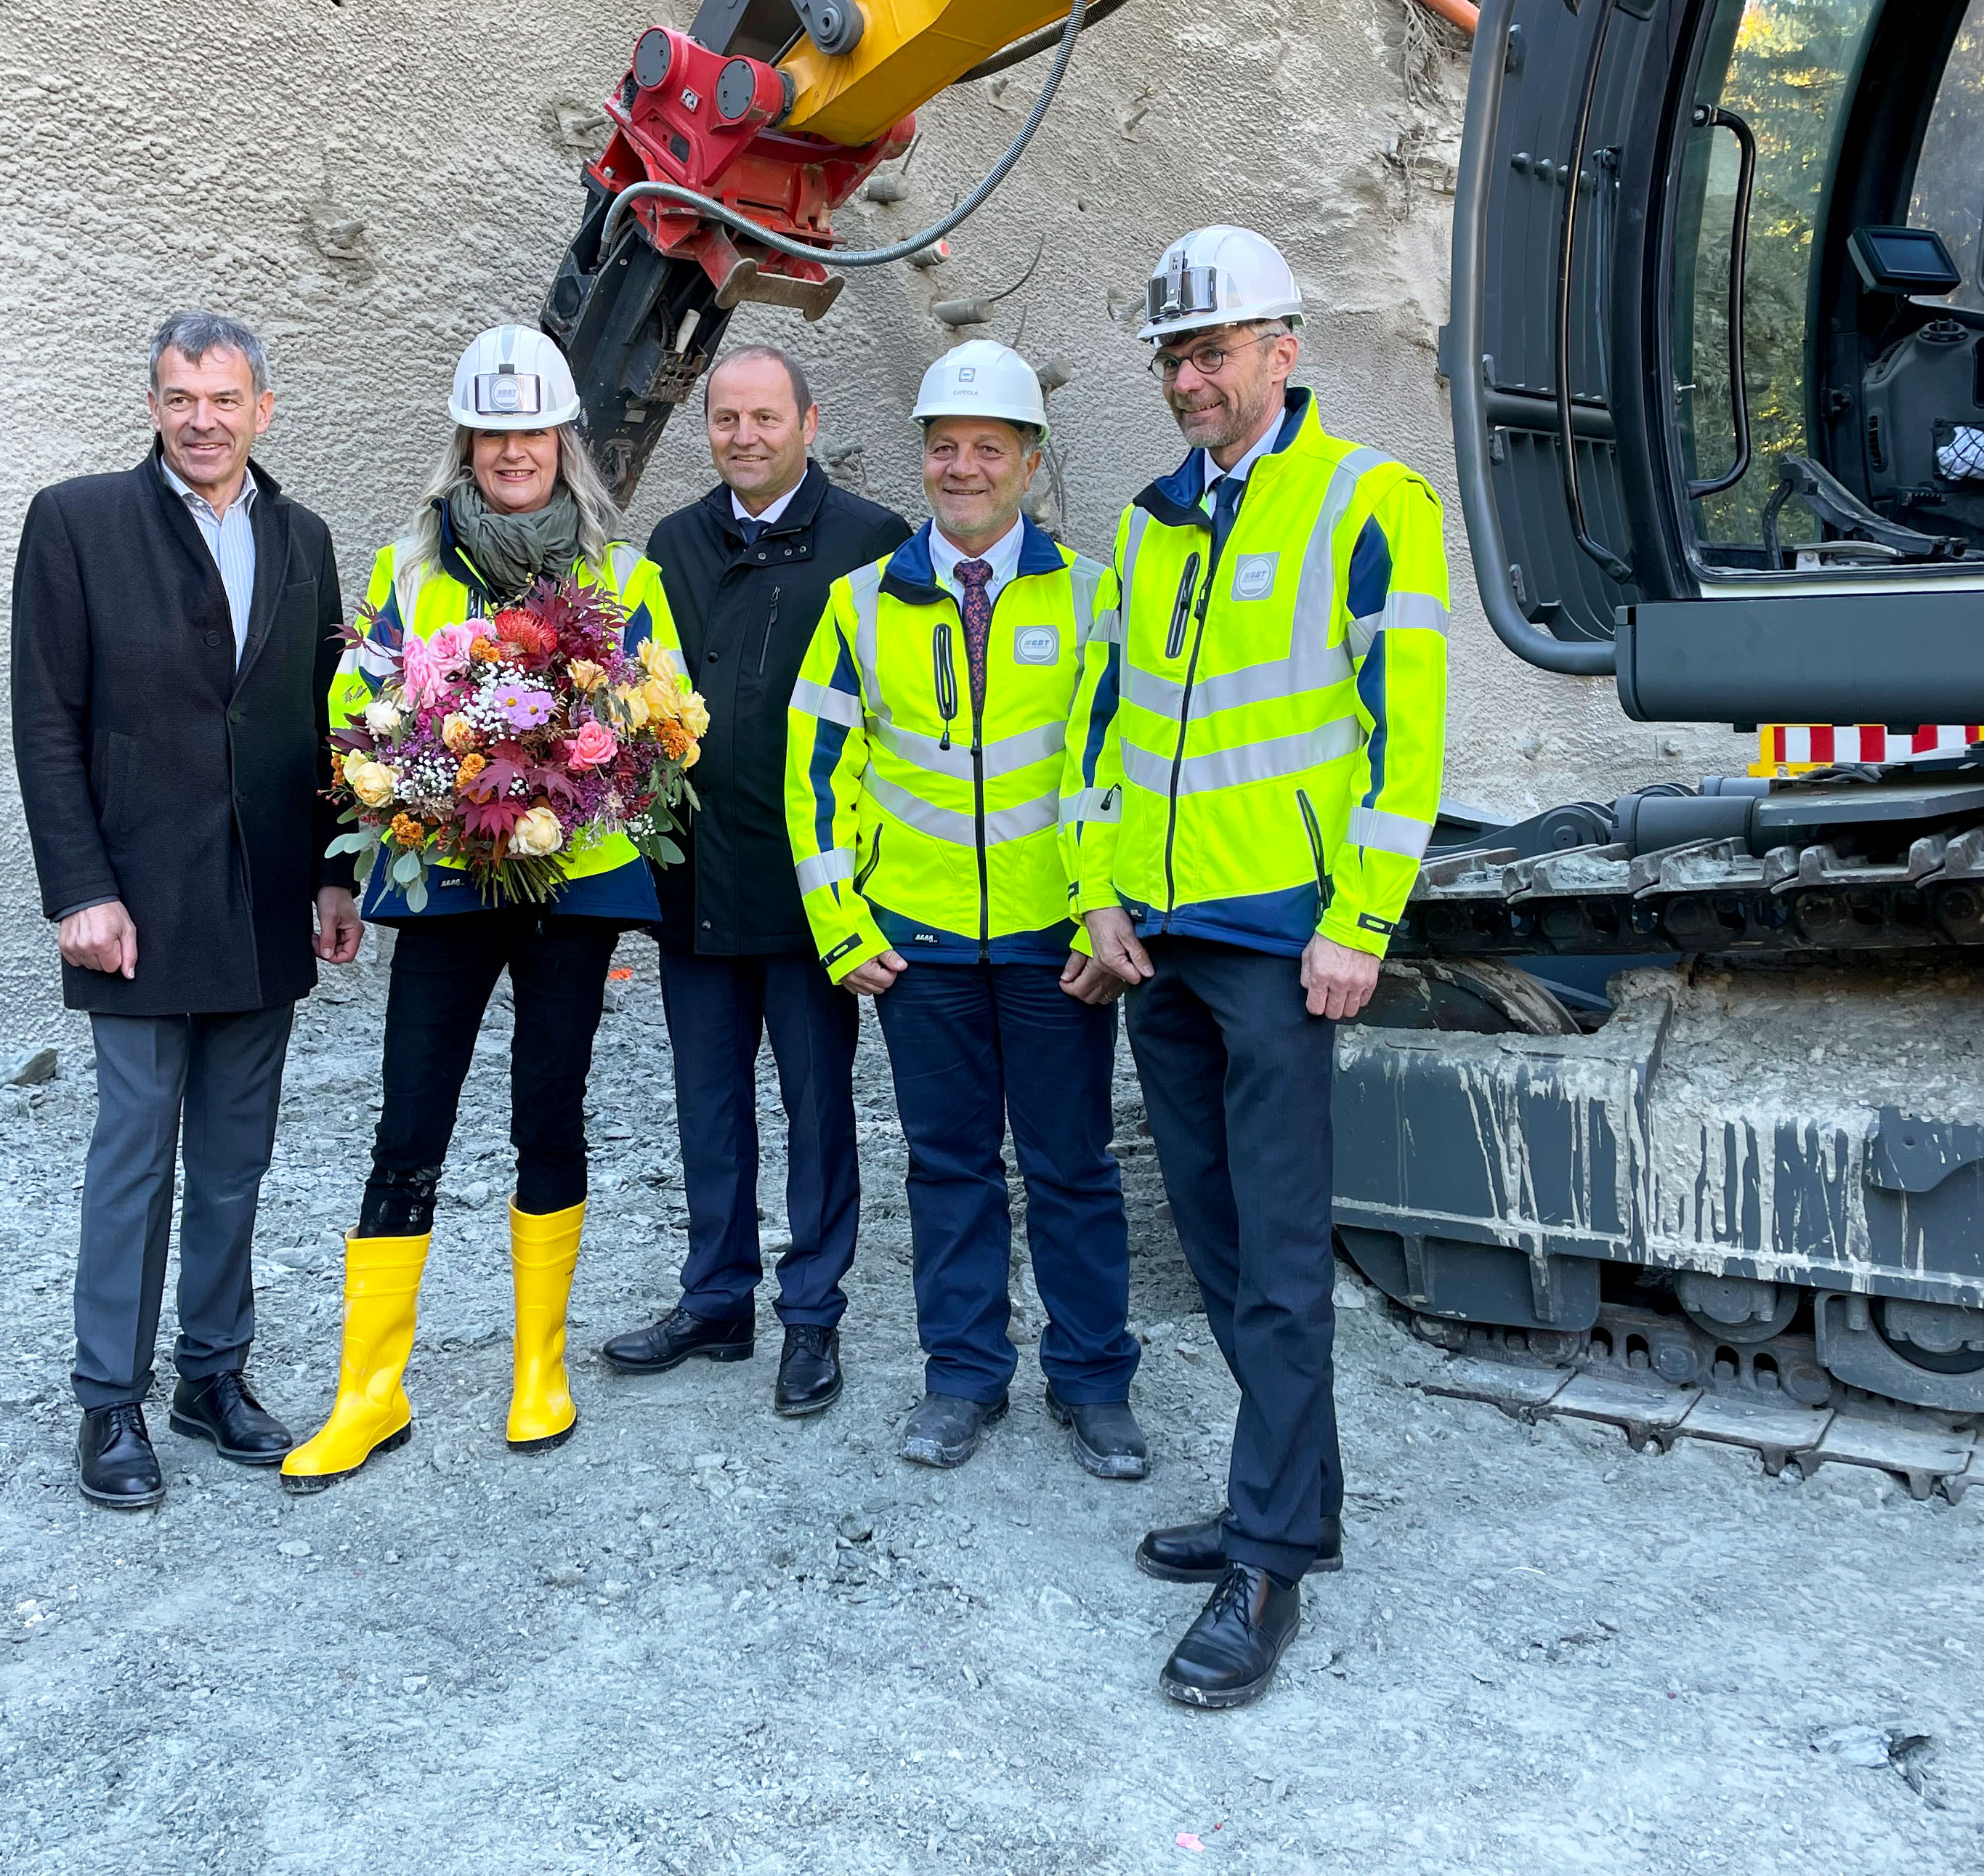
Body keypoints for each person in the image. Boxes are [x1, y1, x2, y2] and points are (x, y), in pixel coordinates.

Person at [1066, 227, 1449, 1708]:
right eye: (1171, 356)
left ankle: (1269, 1558)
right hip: (1161, 942)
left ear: (1282, 352)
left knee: (1279, 1263)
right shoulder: (1153, 524)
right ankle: (1290, 1500)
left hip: (1284, 938)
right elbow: (1106, 725)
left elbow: (1404, 733)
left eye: (1211, 351)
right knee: (1220, 1247)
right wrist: (1098, 896)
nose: (1187, 378)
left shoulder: (1368, 502)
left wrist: (1360, 916)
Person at [280, 324, 681, 1489]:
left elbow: (660, 729)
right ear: (465, 444)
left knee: (548, 1114)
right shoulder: (408, 572)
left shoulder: (623, 575)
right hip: (446, 881)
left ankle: (537, 1368)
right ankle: (370, 1391)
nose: (513, 452)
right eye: (492, 434)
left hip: (573, 882)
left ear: (565, 442)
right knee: (409, 1121)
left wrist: (584, 776)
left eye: (532, 432)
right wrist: (398, 810)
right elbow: (356, 719)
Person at [9, 310, 354, 1512]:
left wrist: (334, 872)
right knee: (135, 1149)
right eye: (179, 399)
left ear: (263, 409)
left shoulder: (304, 537)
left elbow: (323, 720)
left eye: (223, 400)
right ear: (152, 406)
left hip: (264, 896)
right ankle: (110, 1398)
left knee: (234, 1156)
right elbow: (45, 719)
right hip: (135, 903)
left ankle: (213, 1374)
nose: (201, 421)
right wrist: (79, 888)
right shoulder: (77, 522)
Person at [783, 339, 1144, 1477]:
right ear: (924, 460)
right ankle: (962, 1376)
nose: (964, 468)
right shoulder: (859, 603)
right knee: (947, 1168)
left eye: (990, 448)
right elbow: (816, 774)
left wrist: (1102, 915)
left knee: (1072, 1166)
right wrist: (841, 924)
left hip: (1055, 943)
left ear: (1029, 463)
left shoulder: (1092, 596)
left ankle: (1092, 1380)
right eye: (945, 448)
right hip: (919, 943)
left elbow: (1120, 767)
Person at [599, 347, 912, 1415]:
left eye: (765, 417)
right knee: (708, 1104)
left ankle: (812, 1313)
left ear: (808, 425)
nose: (744, 436)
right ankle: (716, 1298)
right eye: (726, 418)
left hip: (813, 889)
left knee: (817, 1107)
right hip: (695, 882)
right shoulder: (674, 543)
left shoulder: (870, 540)